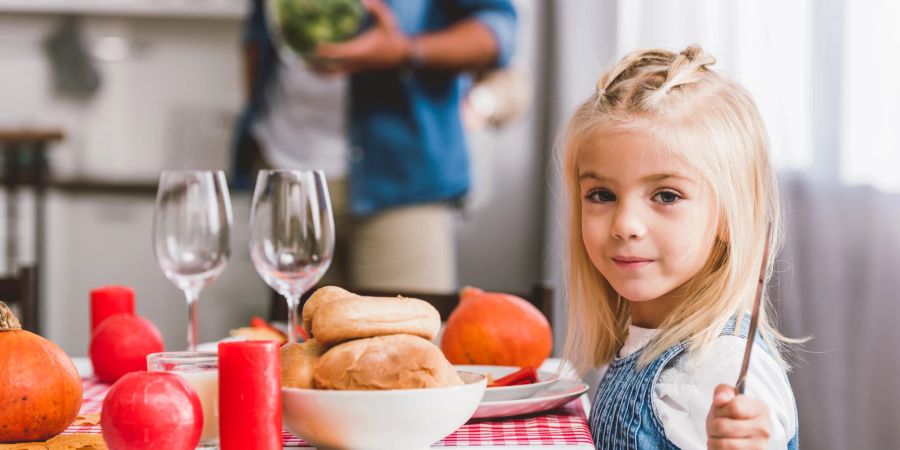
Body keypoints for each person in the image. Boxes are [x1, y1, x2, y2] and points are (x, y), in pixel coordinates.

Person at [559, 45, 800, 449]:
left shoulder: (720, 365)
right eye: (601, 194)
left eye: (666, 196)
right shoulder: (646, 339)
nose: (625, 225)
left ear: (729, 217)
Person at [232, 0, 518, 293]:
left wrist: (406, 50)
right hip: (286, 168)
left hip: (401, 180)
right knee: (299, 331)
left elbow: (500, 29)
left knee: (401, 332)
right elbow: (259, 29)